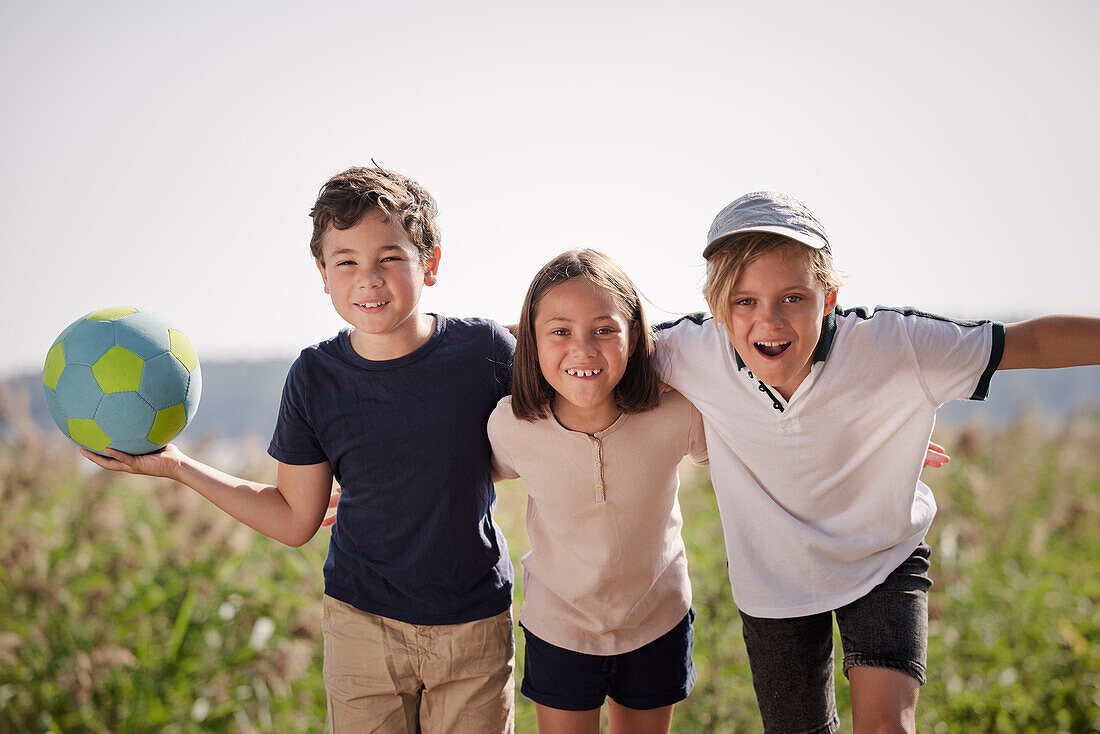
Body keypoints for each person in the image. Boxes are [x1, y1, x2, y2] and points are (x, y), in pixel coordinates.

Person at [81, 166, 517, 734]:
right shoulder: (315, 377)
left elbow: (554, 418)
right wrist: (178, 467)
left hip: (474, 621)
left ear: (429, 262)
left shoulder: (483, 350)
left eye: (389, 258)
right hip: (364, 623)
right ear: (322, 273)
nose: (368, 280)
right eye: (346, 263)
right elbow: (293, 519)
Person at [657, 191, 1100, 734]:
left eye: (792, 297)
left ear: (829, 297)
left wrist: (888, 430)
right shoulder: (689, 350)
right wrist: (524, 348)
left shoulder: (895, 344)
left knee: (887, 726)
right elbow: (585, 340)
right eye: (744, 301)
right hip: (772, 578)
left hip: (882, 558)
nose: (767, 320)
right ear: (716, 303)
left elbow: (1026, 344)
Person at [487, 250, 709, 734]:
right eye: (560, 331)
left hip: (657, 619)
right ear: (532, 340)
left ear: (634, 336)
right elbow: (458, 474)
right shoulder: (511, 425)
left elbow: (747, 443)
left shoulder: (677, 414)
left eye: (604, 330)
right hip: (560, 625)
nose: (582, 349)